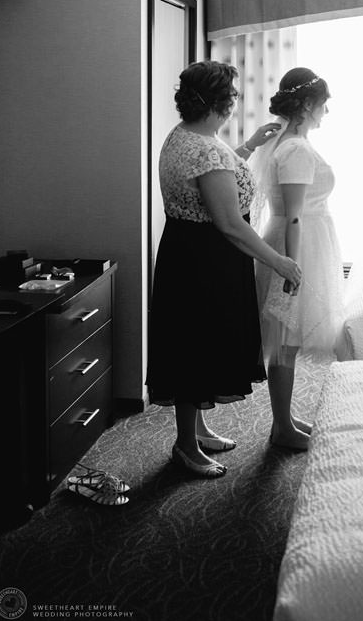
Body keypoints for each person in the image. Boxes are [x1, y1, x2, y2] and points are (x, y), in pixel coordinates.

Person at [146, 60, 302, 479]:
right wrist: (279, 261)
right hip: (208, 260)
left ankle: (196, 428)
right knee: (196, 346)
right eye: (232, 95)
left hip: (184, 249)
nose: (235, 102)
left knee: (192, 341)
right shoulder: (208, 151)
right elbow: (231, 223)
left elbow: (217, 173)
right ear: (222, 101)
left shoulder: (181, 138)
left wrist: (247, 145)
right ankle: (185, 446)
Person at [252, 67, 345, 451]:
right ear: (307, 104)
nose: (327, 111)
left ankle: (284, 419)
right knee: (285, 336)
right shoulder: (295, 150)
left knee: (285, 338)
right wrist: (291, 264)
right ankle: (281, 427)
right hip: (296, 242)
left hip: (302, 238)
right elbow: (292, 214)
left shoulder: (287, 143)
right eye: (324, 104)